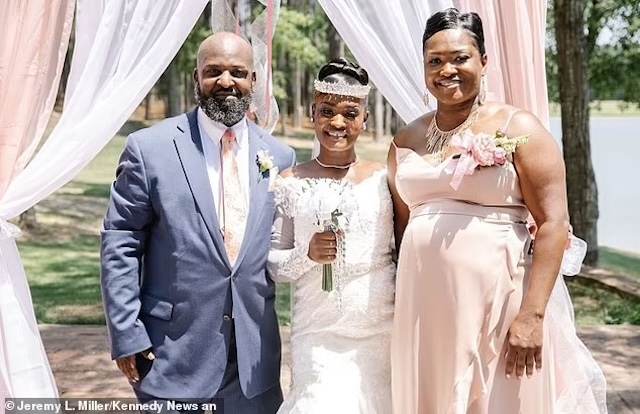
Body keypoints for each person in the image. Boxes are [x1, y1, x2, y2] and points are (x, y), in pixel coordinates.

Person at [388, 8, 606, 414]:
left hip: (500, 306)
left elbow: (555, 225)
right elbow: (401, 230)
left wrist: (532, 315)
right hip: (423, 312)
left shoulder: (518, 127)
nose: (447, 69)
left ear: (483, 62)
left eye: (460, 58)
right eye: (435, 61)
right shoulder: (405, 139)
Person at [100, 32, 296, 413]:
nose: (226, 81)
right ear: (196, 79)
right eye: (214, 71)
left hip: (253, 364)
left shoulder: (280, 157)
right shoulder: (149, 149)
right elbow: (120, 241)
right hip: (171, 353)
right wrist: (126, 333)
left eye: (238, 72)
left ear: (254, 81)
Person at [268, 59, 395, 413]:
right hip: (318, 334)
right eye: (327, 111)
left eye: (350, 113)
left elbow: (407, 246)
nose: (338, 123)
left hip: (380, 332)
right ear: (313, 113)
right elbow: (274, 265)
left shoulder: (384, 179)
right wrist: (307, 254)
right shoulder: (290, 182)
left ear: (364, 119)